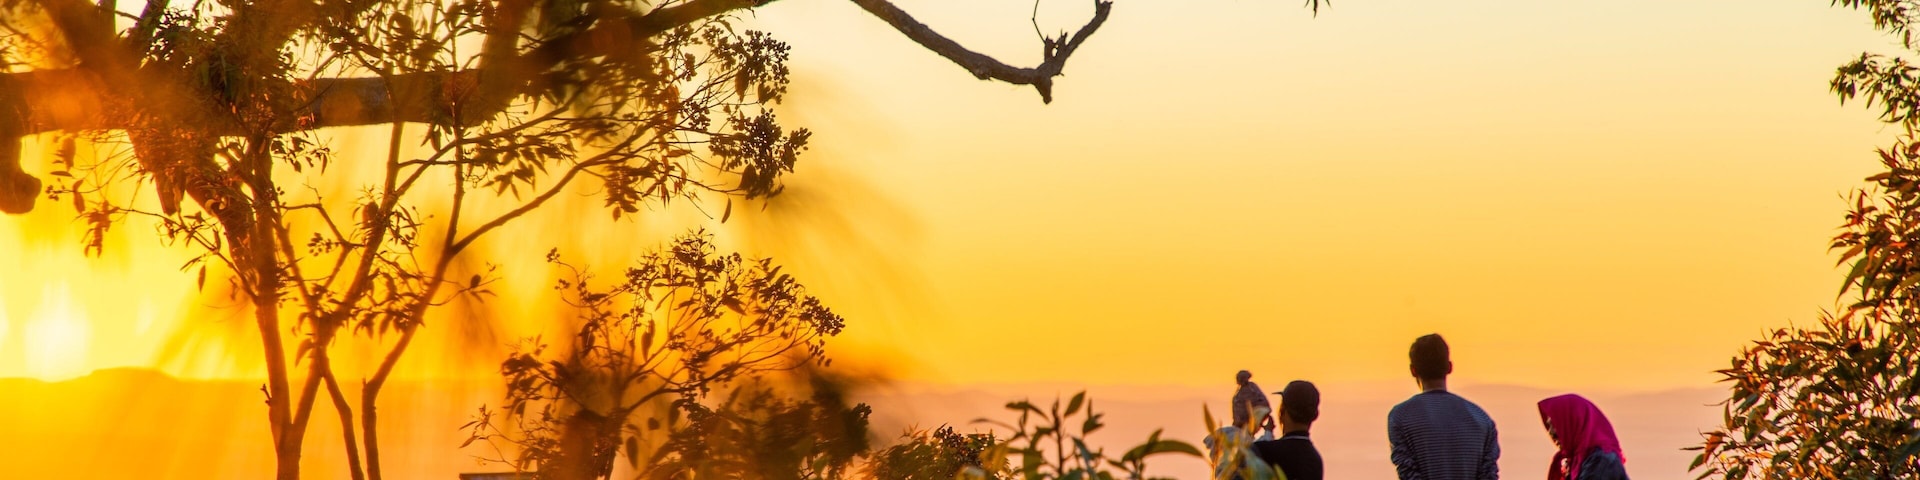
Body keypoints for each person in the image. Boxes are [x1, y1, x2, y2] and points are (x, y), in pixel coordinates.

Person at [1387, 333, 1499, 480]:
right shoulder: (1481, 418)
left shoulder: (1401, 417)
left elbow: (1408, 474)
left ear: (1413, 370)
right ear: (1449, 367)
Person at [1537, 394, 1629, 480]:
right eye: (1549, 426)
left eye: (1555, 425)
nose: (1551, 432)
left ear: (1574, 423)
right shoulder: (1575, 462)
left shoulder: (1602, 461)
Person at [1252, 380, 1325, 480]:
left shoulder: (1262, 451)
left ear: (1282, 411)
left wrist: (1250, 427)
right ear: (1315, 415)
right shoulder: (1314, 461)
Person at [1232, 370, 1276, 437]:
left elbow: (1262, 402)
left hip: (1255, 416)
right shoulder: (1238, 395)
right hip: (1245, 424)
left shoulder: (1251, 388)